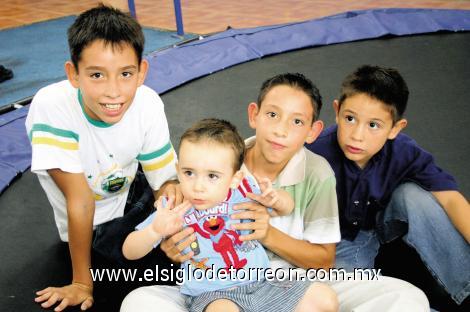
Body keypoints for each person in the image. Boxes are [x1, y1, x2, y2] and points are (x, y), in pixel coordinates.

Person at [121, 73, 430, 312]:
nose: (281, 130)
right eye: (272, 115)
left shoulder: (316, 173)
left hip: (286, 280)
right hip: (211, 286)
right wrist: (169, 242)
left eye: (296, 121)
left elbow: (323, 261)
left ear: (312, 131)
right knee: (138, 301)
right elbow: (165, 231)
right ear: (254, 114)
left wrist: (267, 232)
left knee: (407, 298)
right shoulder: (214, 161)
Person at [25, 5, 179, 311]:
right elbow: (81, 200)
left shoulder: (147, 103)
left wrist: (174, 220)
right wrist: (82, 283)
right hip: (96, 223)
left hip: (136, 193)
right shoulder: (51, 107)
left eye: (125, 74)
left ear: (141, 73)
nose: (113, 92)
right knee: (149, 262)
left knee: (199, 193)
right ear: (74, 74)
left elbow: (164, 181)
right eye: (97, 74)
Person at [122, 118, 338, 312]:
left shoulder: (242, 192)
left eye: (212, 176)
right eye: (189, 173)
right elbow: (129, 250)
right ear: (178, 171)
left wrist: (276, 199)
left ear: (235, 178)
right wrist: (153, 231)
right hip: (214, 296)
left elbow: (286, 207)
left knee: (324, 299)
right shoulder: (174, 208)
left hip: (264, 283)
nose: (198, 186)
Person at [306, 65, 470, 306]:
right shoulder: (313, 152)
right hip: (338, 242)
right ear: (337, 110)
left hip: (382, 220)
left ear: (395, 128)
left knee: (414, 195)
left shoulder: (404, 150)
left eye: (373, 125)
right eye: (350, 119)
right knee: (343, 292)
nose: (357, 135)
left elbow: (451, 199)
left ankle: (466, 287)